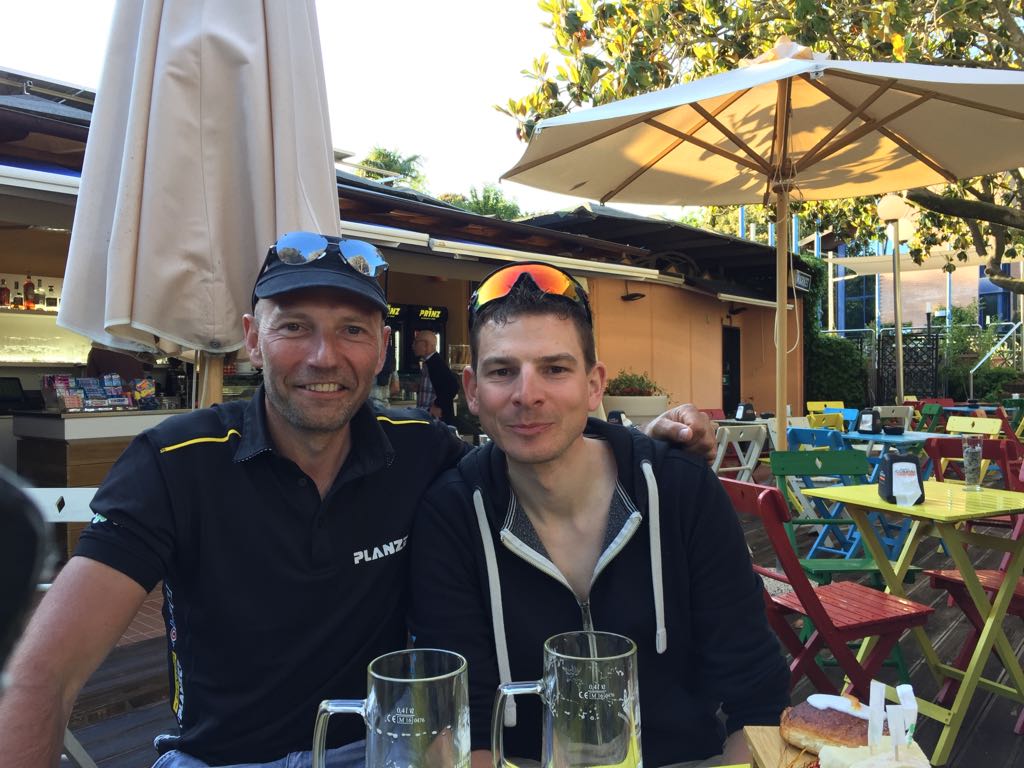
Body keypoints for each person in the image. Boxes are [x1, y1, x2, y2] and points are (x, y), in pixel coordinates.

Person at [0, 233, 716, 768]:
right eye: (294, 326)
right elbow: (43, 676)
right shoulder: (174, 463)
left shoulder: (422, 452)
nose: (324, 356)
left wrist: (639, 445)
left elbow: (536, 448)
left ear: (379, 348)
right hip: (219, 759)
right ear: (253, 340)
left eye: (351, 330)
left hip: (379, 750)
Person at [409, 262, 789, 768]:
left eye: (555, 369)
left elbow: (759, 699)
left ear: (594, 385)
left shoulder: (679, 490)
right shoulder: (452, 514)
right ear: (473, 390)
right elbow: (463, 728)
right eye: (503, 371)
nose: (528, 394)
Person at [413, 329, 459, 425]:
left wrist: (438, 404)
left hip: (436, 420)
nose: (413, 345)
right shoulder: (429, 363)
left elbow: (453, 386)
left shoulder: (436, 363)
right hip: (428, 418)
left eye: (416, 342)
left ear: (425, 345)